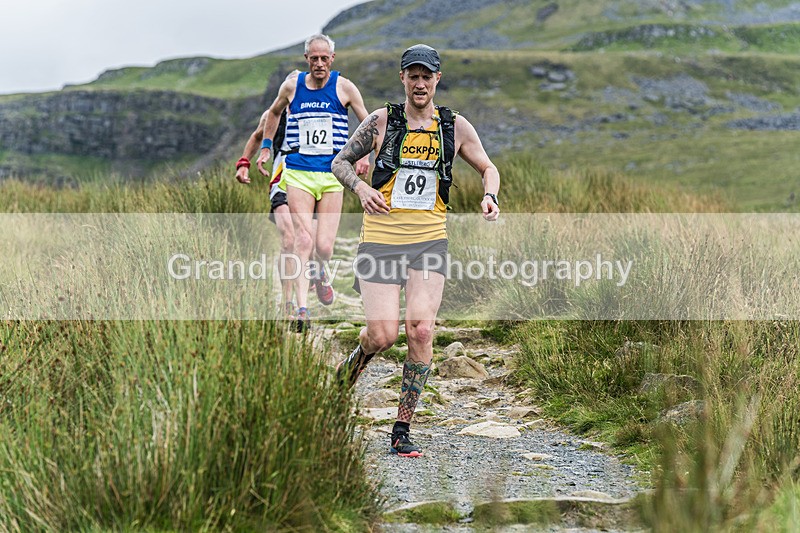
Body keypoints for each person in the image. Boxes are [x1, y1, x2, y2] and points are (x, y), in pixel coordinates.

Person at [331, 44, 500, 457]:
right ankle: (350, 368)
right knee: (382, 335)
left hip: (428, 241)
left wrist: (490, 195)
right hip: (382, 241)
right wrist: (361, 187)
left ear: (437, 80)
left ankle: (401, 426)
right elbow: (340, 163)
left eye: (427, 76)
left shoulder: (455, 126)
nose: (420, 83)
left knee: (421, 330)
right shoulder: (382, 120)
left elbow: (488, 166)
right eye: (413, 75)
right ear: (403, 78)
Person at [256, 34, 370, 332]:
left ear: (332, 59)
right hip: (298, 173)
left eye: (324, 58)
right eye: (314, 58)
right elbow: (274, 112)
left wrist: (363, 155)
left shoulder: (344, 87)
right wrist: (267, 145)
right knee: (302, 240)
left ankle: (320, 272)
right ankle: (302, 310)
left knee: (324, 247)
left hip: (332, 173)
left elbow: (368, 122)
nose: (319, 64)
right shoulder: (292, 86)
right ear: (307, 59)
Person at [235, 71, 334, 320]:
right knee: (289, 239)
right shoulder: (272, 116)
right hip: (281, 181)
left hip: (312, 180)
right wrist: (244, 162)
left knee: (309, 241)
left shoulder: (317, 113)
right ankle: (288, 302)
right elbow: (257, 136)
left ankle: (319, 272)